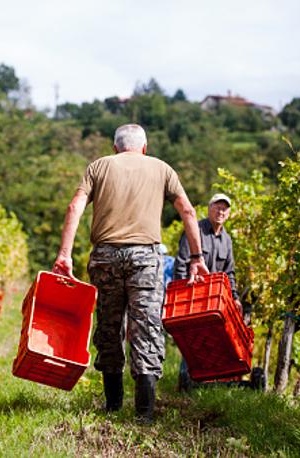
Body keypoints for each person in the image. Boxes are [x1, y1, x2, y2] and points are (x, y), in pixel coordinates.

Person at [52, 124, 208, 424]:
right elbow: (188, 211)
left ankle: (112, 406)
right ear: (145, 148)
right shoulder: (162, 169)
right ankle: (145, 414)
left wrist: (64, 255)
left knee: (110, 326)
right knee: (146, 328)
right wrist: (197, 257)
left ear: (115, 148)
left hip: (105, 256)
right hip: (145, 259)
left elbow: (74, 207)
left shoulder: (98, 166)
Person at [173, 193, 248, 391]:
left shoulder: (227, 240)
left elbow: (229, 272)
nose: (220, 211)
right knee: (192, 335)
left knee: (216, 336)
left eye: (224, 208)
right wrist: (181, 293)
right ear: (209, 208)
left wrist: (235, 297)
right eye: (217, 207)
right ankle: (186, 381)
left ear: (229, 213)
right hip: (195, 294)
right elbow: (181, 262)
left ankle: (211, 380)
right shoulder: (195, 230)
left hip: (216, 300)